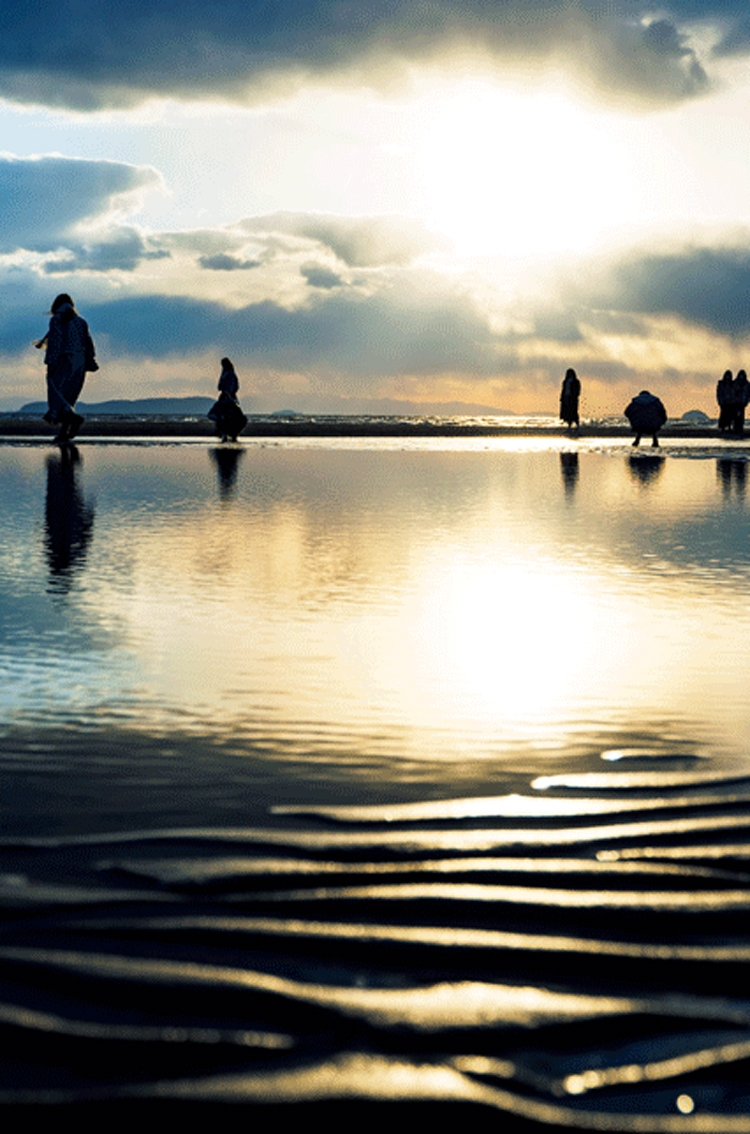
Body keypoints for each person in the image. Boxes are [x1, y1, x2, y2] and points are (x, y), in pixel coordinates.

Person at [35, 294, 97, 443]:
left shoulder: (56, 320)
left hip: (63, 361)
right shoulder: (81, 322)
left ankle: (74, 421)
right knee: (70, 397)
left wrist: (50, 362)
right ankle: (64, 433)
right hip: (79, 363)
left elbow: (55, 343)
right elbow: (89, 344)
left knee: (57, 395)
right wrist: (90, 361)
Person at [208, 357, 247, 442]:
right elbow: (234, 386)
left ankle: (227, 434)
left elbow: (224, 386)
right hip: (229, 397)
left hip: (227, 397)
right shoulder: (229, 374)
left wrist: (227, 393)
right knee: (224, 415)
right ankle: (228, 434)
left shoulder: (227, 374)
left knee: (223, 415)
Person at [731, 369, 750, 435]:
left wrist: (746, 401)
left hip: (742, 402)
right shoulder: (735, 383)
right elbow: (732, 391)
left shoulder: (747, 384)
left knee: (741, 415)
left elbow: (748, 394)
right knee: (735, 415)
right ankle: (735, 427)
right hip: (735, 402)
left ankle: (740, 427)